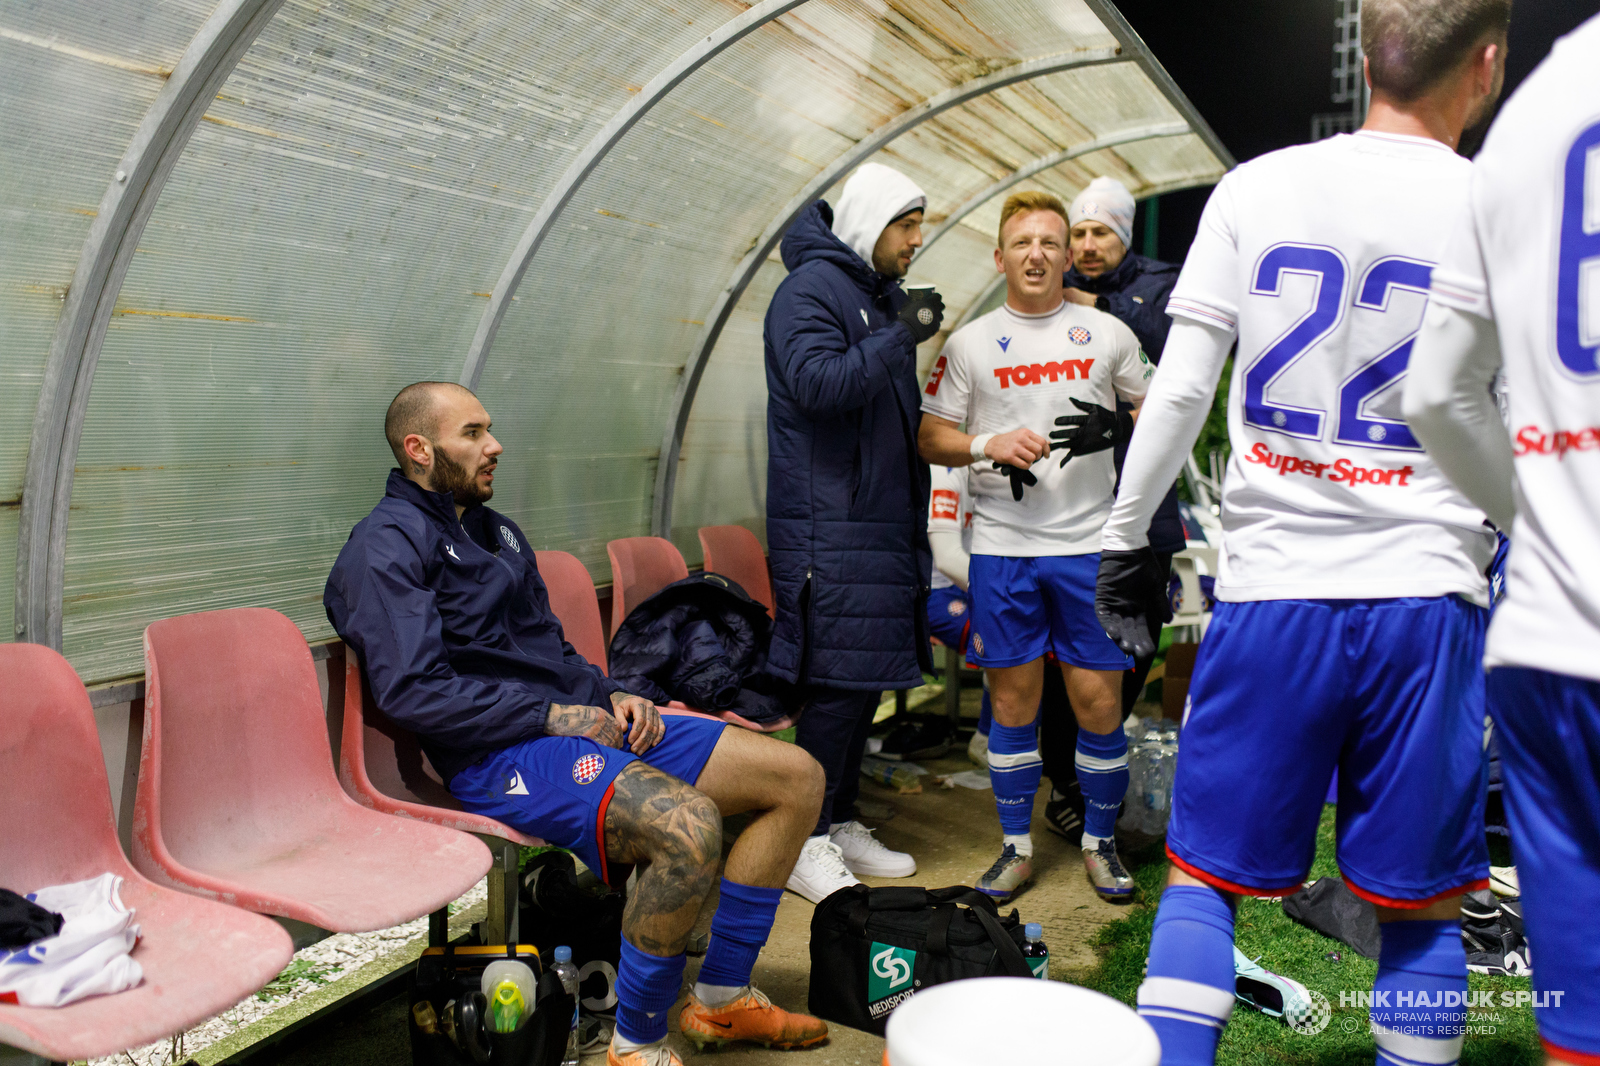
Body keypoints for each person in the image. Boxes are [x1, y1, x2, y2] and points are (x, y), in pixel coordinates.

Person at [1094, 2, 1508, 1062]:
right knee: (1419, 911)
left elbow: (1183, 388)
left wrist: (1123, 536)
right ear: (1488, 62)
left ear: (1367, 52)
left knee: (1205, 882)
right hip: (1427, 596)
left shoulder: (1257, 186)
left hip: (1275, 591)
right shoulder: (1501, 203)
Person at [325, 382, 829, 1066]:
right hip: (496, 755)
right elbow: (415, 693)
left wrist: (616, 692)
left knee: (796, 777)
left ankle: (720, 999)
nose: (493, 445)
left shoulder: (496, 531)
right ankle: (636, 1044)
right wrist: (547, 714)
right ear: (419, 449)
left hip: (574, 727)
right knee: (690, 826)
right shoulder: (382, 549)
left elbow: (554, 650)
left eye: (489, 429)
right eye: (472, 433)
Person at [1405, 14, 1600, 1064]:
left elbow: (1435, 393)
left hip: (1548, 627)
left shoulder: (1527, 118)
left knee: (1577, 1026)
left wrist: (1544, 521)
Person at [918, 190, 1154, 903]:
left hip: (1088, 546)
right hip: (1003, 547)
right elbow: (930, 437)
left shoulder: (1105, 330)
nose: (1038, 254)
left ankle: (1099, 844)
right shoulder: (969, 343)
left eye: (1051, 242)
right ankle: (1016, 848)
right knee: (1013, 705)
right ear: (999, 257)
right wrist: (987, 443)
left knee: (1098, 704)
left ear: (1066, 255)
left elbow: (1157, 407)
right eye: (1022, 243)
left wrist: (1117, 427)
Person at [764, 162, 945, 903]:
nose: (917, 240)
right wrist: (897, 337)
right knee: (838, 684)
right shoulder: (808, 291)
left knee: (864, 678)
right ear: (871, 224)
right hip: (830, 531)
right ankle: (800, 840)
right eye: (906, 225)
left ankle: (836, 820)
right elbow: (818, 385)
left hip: (875, 527)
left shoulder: (872, 295)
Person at [1061, 177, 1189, 728]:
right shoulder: (1050, 283)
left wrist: (1099, 306)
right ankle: (1070, 773)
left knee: (1139, 627)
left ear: (1124, 234)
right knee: (1069, 637)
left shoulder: (1163, 285)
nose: (1088, 245)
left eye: (1101, 232)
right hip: (1070, 491)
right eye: (1079, 232)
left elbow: (1174, 355)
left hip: (1144, 492)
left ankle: (1109, 735)